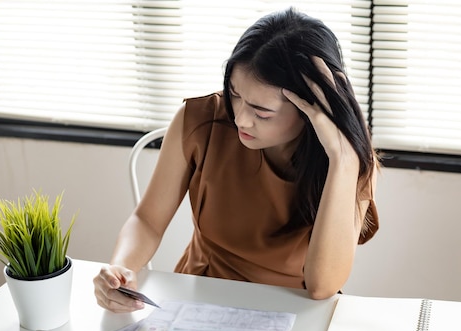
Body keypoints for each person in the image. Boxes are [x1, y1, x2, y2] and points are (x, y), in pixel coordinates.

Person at [94, 7, 379, 313]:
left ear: (310, 109)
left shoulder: (347, 159)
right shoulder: (200, 120)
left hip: (290, 312)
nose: (241, 119)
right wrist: (121, 270)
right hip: (200, 297)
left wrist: (343, 161)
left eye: (261, 111)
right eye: (234, 94)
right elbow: (147, 220)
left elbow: (322, 286)